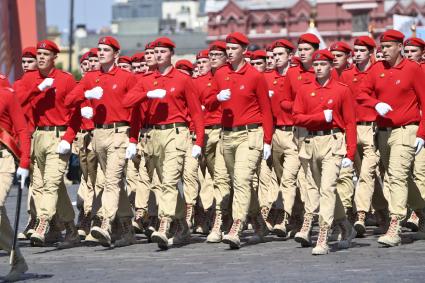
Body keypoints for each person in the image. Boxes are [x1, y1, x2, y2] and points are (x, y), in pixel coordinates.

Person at [123, 37, 204, 250]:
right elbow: (126, 102)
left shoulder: (183, 79)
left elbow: (196, 112)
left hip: (177, 134)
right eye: (156, 51)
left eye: (163, 51)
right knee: (163, 183)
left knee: (169, 181)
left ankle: (165, 223)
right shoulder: (145, 79)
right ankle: (183, 227)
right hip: (152, 136)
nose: (158, 55)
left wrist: (199, 142)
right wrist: (146, 94)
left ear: (171, 54)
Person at [65, 36, 138, 247]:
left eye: (106, 49)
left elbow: (136, 111)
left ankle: (106, 223)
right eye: (99, 49)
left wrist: (133, 139)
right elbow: (68, 100)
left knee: (111, 181)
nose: (101, 52)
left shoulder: (126, 76)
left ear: (116, 54)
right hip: (98, 135)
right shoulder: (90, 78)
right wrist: (85, 94)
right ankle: (127, 229)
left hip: (119, 132)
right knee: (113, 183)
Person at [357, 29, 425, 247]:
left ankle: (395, 224)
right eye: (382, 46)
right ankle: (422, 213)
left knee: (397, 176)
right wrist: (375, 103)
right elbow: (360, 94)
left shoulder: (413, 69)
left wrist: (422, 133)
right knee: (397, 177)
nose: (383, 50)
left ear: (399, 47)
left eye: (387, 47)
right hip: (383, 132)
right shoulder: (377, 69)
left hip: (406, 130)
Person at [209, 32, 273, 249]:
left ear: (244, 51)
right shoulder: (219, 73)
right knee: (238, 181)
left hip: (250, 134)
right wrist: (217, 98)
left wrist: (267, 141)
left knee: (242, 178)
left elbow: (266, 110)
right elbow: (206, 103)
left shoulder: (255, 75)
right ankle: (259, 224)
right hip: (227, 134)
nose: (229, 52)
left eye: (234, 48)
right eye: (227, 48)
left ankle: (237, 225)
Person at [17, 40, 80, 248]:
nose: (41, 57)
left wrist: (68, 138)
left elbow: (76, 113)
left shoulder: (66, 80)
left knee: (51, 183)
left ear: (55, 57)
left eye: (46, 54)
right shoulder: (29, 79)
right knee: (48, 186)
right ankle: (70, 229)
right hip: (38, 137)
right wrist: (36, 89)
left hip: (58, 137)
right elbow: (17, 103)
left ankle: (43, 222)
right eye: (39, 54)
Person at [293, 49, 357, 255]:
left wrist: (350, 153)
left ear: (331, 66)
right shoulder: (304, 89)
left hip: (333, 141)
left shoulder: (342, 90)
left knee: (328, 187)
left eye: (323, 65)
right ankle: (346, 226)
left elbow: (350, 123)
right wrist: (321, 117)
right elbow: (297, 117)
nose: (318, 68)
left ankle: (323, 233)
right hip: (312, 142)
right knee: (323, 189)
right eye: (316, 65)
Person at [340, 36, 387, 236]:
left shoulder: (379, 71)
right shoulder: (346, 75)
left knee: (367, 173)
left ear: (370, 52)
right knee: (362, 175)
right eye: (355, 51)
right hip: (351, 129)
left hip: (372, 128)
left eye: (361, 51)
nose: (357, 54)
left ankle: (360, 214)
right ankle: (383, 212)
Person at [265, 39, 297, 237]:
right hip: (276, 132)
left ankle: (285, 217)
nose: (276, 58)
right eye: (274, 55)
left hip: (294, 133)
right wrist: (267, 140)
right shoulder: (267, 78)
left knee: (289, 178)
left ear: (289, 56)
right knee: (278, 178)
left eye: (280, 54)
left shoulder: (297, 76)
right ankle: (296, 216)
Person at [0, 86, 31, 281]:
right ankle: (18, 261)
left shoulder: (6, 94)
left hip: (3, 159)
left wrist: (25, 163)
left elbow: (22, 130)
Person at [403, 37, 425, 231]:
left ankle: (417, 213)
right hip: (408, 128)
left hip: (422, 129)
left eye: (413, 52)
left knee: (420, 171)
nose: (409, 55)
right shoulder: (402, 72)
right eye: (407, 51)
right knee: (405, 172)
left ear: (422, 54)